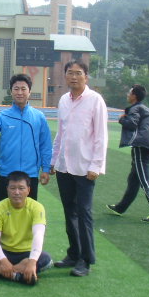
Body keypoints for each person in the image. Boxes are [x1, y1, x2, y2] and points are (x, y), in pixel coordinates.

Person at [51, 59, 108, 277]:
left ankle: (86, 259)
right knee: (69, 212)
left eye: (78, 73)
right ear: (65, 75)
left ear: (86, 76)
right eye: (70, 73)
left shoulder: (95, 100)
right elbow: (61, 132)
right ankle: (73, 253)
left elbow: (101, 136)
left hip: (85, 168)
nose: (73, 77)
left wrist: (96, 165)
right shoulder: (64, 100)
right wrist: (54, 160)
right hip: (65, 166)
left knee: (84, 213)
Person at [0, 171, 53, 285]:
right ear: (7, 189)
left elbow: (38, 235)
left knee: (45, 258)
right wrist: (3, 260)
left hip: (26, 253)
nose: (16, 192)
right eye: (13, 188)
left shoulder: (37, 207)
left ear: (28, 190)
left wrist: (32, 262)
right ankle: (17, 276)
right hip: (5, 251)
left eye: (21, 188)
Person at [0, 73, 52, 203]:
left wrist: (46, 169)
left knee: (28, 213)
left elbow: (45, 145)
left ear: (29, 92)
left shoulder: (39, 117)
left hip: (30, 175)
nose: (20, 92)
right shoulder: (3, 116)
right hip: (7, 174)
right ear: (11, 91)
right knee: (3, 212)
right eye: (16, 89)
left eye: (23, 89)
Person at [107, 84, 149, 223]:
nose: (127, 95)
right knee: (133, 180)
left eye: (129, 93)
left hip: (140, 146)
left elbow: (132, 124)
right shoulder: (148, 110)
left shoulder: (135, 108)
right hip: (148, 146)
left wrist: (121, 119)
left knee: (145, 180)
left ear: (134, 96)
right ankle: (121, 208)